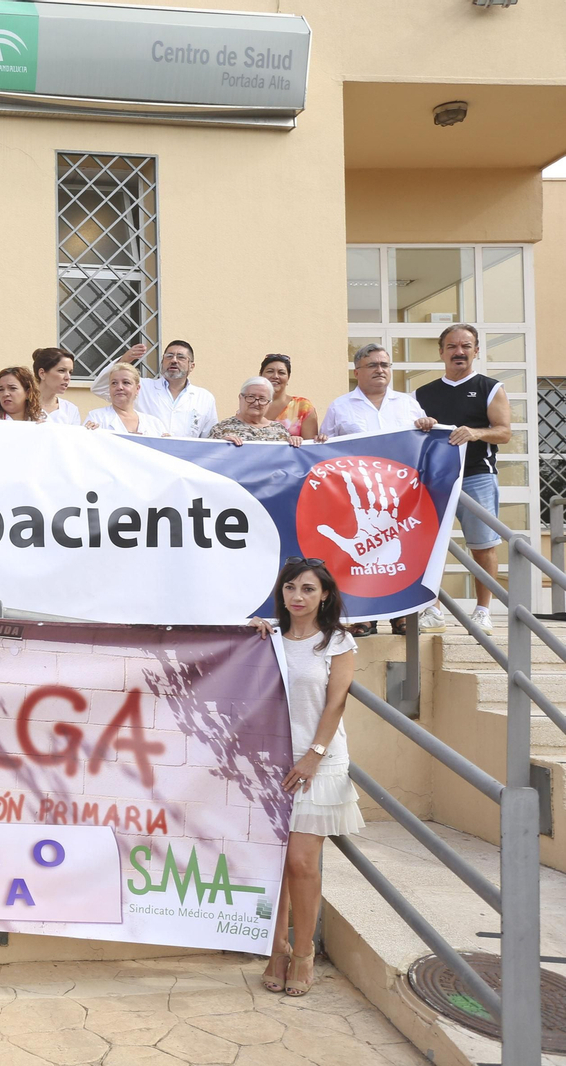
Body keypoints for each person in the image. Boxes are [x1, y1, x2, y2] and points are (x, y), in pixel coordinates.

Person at [248, 558, 362, 999]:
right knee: (273, 866)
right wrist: (252, 635)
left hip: (318, 762)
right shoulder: (268, 638)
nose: (298, 596)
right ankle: (274, 950)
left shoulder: (337, 642)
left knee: (300, 863)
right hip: (270, 763)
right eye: (290, 588)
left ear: (325, 595)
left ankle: (303, 952)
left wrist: (314, 755)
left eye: (308, 589)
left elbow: (335, 704)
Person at [321, 345, 439, 636]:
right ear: (357, 371)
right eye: (372, 365)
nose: (380, 370)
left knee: (402, 557)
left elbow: (424, 444)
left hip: (401, 499)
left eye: (385, 364)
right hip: (360, 502)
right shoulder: (340, 406)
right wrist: (320, 440)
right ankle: (364, 616)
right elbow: (325, 450)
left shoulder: (408, 404)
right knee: (364, 559)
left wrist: (428, 425)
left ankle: (401, 615)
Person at [414, 324, 511, 637]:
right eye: (453, 346)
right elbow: (412, 435)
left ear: (476, 351)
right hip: (435, 479)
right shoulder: (422, 394)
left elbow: (504, 432)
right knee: (430, 546)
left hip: (476, 476)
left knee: (483, 546)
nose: (459, 352)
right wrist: (421, 424)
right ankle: (432, 609)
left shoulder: (490, 387)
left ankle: (483, 612)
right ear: (441, 352)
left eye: (466, 346)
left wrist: (476, 432)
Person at [91, 340, 218, 438]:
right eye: (169, 356)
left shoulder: (204, 398)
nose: (174, 360)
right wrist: (124, 361)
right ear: (162, 362)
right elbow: (99, 388)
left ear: (192, 366)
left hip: (186, 463)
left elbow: (209, 437)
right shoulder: (142, 387)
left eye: (181, 357)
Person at [210, 378, 303, 446]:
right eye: (251, 397)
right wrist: (220, 445)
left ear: (269, 403)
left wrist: (295, 442)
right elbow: (206, 459)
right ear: (240, 398)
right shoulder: (222, 429)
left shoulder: (280, 431)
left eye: (262, 399)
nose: (256, 402)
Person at [84, 363, 168, 437]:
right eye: (114, 383)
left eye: (126, 382)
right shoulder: (96, 418)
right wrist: (87, 433)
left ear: (137, 388)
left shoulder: (154, 423)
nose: (119, 387)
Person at [260, 354, 319, 439]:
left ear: (288, 378)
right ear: (260, 375)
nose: (275, 376)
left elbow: (310, 447)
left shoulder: (303, 407)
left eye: (281, 373)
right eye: (270, 371)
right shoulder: (251, 404)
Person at [33, 347, 81, 425]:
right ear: (42, 373)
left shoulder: (70, 409)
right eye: (61, 370)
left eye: (70, 372)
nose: (68, 377)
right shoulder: (21, 406)